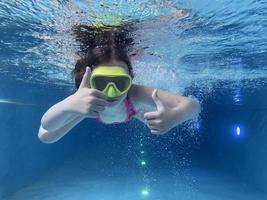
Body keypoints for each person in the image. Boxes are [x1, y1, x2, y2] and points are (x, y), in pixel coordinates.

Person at [38, 17, 200, 144]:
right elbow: (45, 130)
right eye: (102, 82)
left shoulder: (135, 93)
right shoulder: (84, 99)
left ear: (130, 80)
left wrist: (175, 116)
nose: (111, 92)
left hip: (132, 111)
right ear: (90, 81)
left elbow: (194, 106)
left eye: (120, 82)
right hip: (92, 111)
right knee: (48, 137)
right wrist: (70, 105)